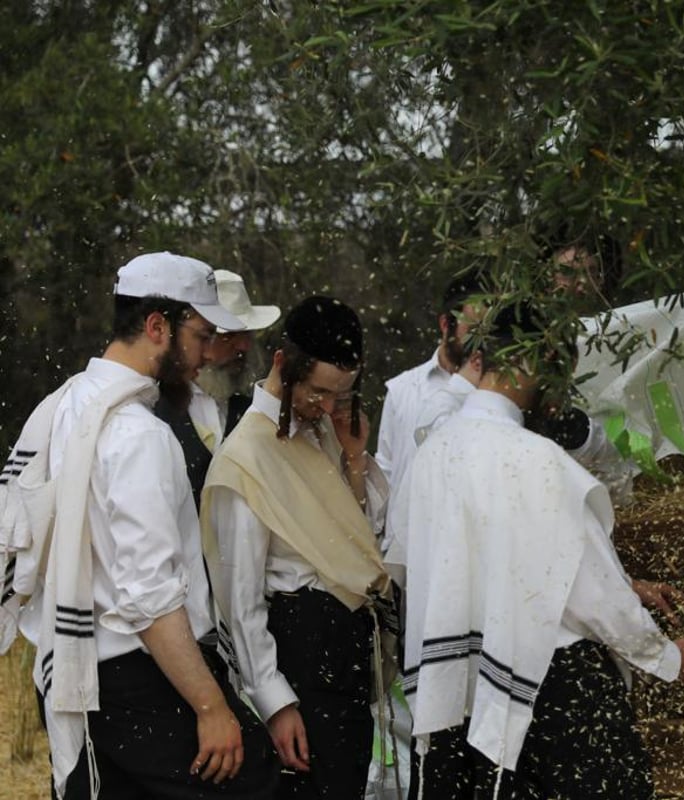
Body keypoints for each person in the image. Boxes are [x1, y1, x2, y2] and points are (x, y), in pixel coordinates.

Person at [386, 300, 684, 799]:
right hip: (550, 681)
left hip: (455, 686)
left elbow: (406, 562)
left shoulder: (431, 454)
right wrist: (664, 656)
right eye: (556, 375)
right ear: (527, 364)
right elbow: (591, 590)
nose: (556, 396)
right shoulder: (536, 459)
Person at [4, 252, 277, 799]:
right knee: (258, 778)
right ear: (157, 326)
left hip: (80, 675)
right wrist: (211, 706)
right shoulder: (136, 434)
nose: (205, 354)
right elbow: (149, 597)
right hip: (140, 680)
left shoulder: (65, 405)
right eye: (201, 335)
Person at [201, 295, 394, 799]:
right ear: (284, 364)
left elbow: (361, 542)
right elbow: (239, 597)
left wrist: (354, 459)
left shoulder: (322, 428)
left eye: (341, 395)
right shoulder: (245, 456)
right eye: (318, 391)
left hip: (348, 652)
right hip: (301, 654)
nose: (327, 406)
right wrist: (276, 702)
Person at [155, 268, 280, 507]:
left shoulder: (254, 412)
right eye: (229, 335)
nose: (243, 346)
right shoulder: (155, 406)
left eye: (247, 334)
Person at [375, 270, 487, 486]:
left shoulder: (495, 392)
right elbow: (386, 476)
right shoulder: (403, 390)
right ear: (446, 324)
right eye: (473, 330)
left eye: (487, 333)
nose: (480, 343)